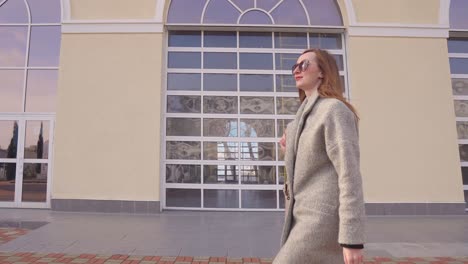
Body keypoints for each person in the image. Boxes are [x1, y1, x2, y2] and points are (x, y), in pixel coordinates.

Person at [273, 48, 366, 264]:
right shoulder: (301, 117)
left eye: (304, 64)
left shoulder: (334, 110)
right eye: (294, 66)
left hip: (321, 218)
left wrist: (352, 238)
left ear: (322, 72)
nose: (297, 70)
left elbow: (349, 174)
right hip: (300, 216)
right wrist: (290, 149)